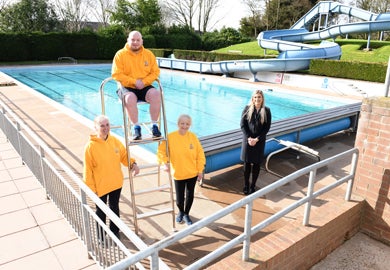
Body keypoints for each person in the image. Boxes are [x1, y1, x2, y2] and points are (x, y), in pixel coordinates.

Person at [83, 115, 140, 239]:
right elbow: (88, 170)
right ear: (95, 127)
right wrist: (91, 189)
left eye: (107, 125)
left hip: (115, 183)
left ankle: (115, 232)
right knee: (101, 212)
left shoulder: (114, 141)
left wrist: (133, 164)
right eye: (102, 125)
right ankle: (101, 237)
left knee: (114, 208)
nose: (105, 128)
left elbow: (124, 156)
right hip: (100, 186)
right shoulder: (90, 147)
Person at [111, 30, 161, 140]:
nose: (135, 42)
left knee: (156, 94)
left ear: (142, 41)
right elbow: (116, 74)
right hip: (126, 86)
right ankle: (136, 127)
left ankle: (154, 126)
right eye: (133, 40)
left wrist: (144, 82)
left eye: (138, 40)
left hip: (144, 85)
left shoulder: (148, 54)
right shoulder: (120, 54)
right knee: (130, 98)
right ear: (128, 40)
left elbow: (155, 72)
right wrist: (134, 81)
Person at [157, 114, 206, 225]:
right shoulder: (170, 137)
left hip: (192, 173)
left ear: (190, 125)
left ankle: (186, 214)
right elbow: (161, 151)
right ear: (178, 124)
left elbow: (200, 154)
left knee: (190, 196)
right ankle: (181, 211)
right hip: (178, 174)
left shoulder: (193, 137)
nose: (184, 126)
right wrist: (165, 162)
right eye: (182, 123)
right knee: (179, 199)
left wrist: (199, 170)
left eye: (187, 124)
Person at [240, 90, 272, 195]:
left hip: (259, 141)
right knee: (247, 164)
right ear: (252, 98)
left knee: (257, 164)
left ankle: (253, 185)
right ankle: (245, 185)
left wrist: (257, 139)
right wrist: (249, 138)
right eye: (255, 97)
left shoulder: (266, 111)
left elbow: (266, 128)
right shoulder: (247, 109)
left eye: (259, 97)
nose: (257, 99)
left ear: (262, 99)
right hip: (247, 141)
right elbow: (243, 125)